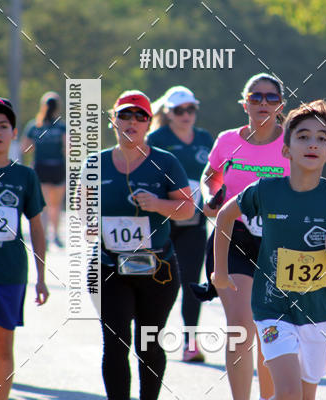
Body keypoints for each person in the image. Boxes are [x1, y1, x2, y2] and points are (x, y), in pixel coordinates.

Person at [213, 99, 326, 400]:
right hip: (272, 309)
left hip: (316, 313)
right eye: (303, 137)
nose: (313, 144)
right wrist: (220, 271)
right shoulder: (267, 189)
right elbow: (224, 216)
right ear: (286, 150)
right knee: (288, 393)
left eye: (322, 138)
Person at [196, 73, 291, 400]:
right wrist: (211, 195)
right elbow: (210, 176)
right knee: (240, 327)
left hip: (278, 241)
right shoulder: (227, 140)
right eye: (256, 97)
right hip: (232, 236)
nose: (263, 103)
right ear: (244, 104)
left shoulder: (293, 142)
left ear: (281, 105)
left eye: (271, 97)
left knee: (269, 329)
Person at [99, 90, 194, 400]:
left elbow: (188, 209)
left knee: (148, 343)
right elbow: (82, 211)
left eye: (140, 116)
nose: (132, 121)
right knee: (115, 343)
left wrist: (157, 204)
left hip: (157, 269)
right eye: (125, 115)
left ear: (149, 123)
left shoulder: (165, 161)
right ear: (114, 120)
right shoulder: (95, 163)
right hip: (109, 266)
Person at [147, 86, 213, 362]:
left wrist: (213, 198)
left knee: (191, 283)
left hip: (194, 222)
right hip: (161, 221)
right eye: (179, 110)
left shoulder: (205, 138)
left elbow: (216, 175)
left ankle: (190, 343)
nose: (186, 114)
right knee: (155, 283)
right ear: (168, 113)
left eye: (190, 109)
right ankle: (150, 340)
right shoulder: (155, 138)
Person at [0, 97, 49, 400]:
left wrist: (41, 277)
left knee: (2, 346)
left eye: (3, 125)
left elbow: (37, 228)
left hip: (9, 273)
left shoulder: (25, 176)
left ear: (15, 133)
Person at [21, 92, 66, 248]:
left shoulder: (34, 126)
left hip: (40, 167)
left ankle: (45, 235)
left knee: (44, 205)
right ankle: (55, 235)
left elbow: (25, 148)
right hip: (57, 167)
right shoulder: (61, 126)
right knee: (56, 204)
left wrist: (38, 145)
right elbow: (69, 147)